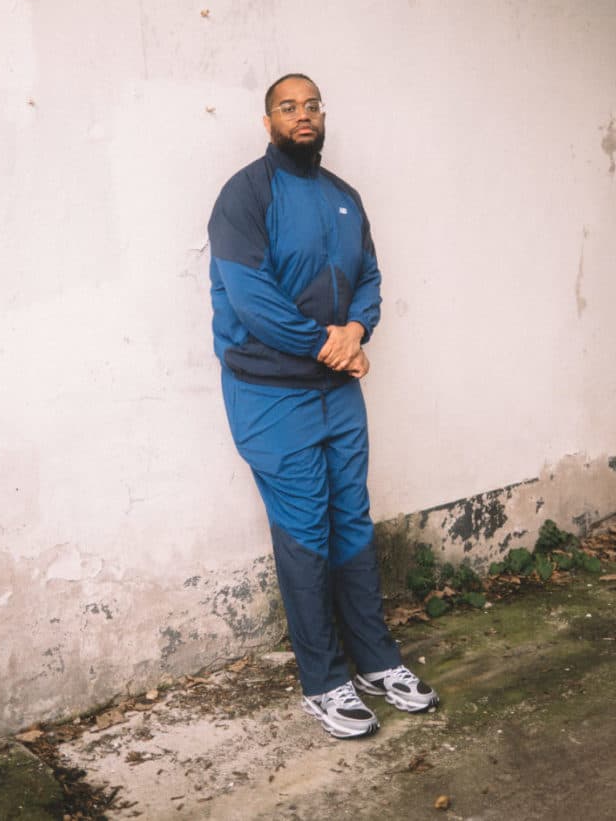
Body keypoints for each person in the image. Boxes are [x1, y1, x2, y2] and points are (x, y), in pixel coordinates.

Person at [208, 72, 439, 738]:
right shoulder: (244, 195)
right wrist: (329, 345)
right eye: (288, 107)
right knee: (305, 531)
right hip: (269, 393)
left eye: (311, 105)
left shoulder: (343, 196)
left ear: (323, 116)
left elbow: (368, 276)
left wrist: (357, 330)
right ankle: (323, 680)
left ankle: (377, 661)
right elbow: (251, 299)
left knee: (352, 521)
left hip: (337, 392)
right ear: (268, 122)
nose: (301, 114)